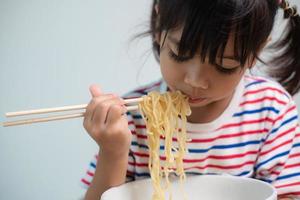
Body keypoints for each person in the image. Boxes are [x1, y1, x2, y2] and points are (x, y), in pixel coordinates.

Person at [81, 0, 300, 199]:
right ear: (159, 27)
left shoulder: (272, 111)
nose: (195, 81)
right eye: (180, 54)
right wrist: (113, 151)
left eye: (224, 66)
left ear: (255, 51)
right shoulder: (130, 119)